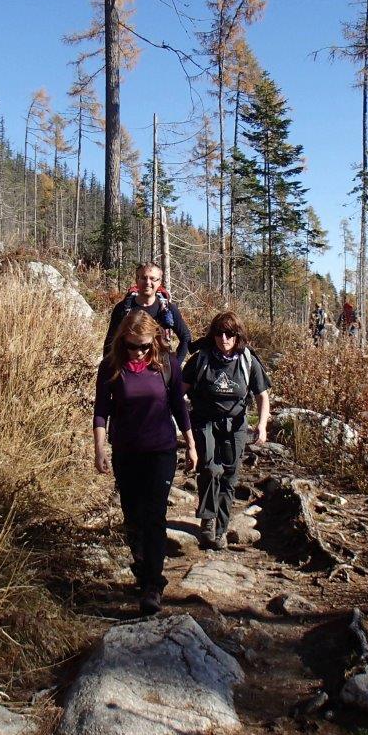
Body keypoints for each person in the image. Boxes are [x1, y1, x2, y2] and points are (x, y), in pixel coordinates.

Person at [94, 309, 198, 615]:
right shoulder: (111, 367)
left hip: (160, 451)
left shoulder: (167, 365)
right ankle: (142, 564)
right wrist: (99, 449)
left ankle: (153, 584)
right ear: (122, 341)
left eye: (143, 345)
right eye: (131, 345)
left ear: (153, 341)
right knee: (133, 515)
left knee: (155, 516)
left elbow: (179, 406)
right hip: (126, 451)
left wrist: (191, 445)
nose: (137, 351)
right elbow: (102, 411)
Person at [182, 312, 271, 551]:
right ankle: (208, 520)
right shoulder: (201, 359)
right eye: (219, 333)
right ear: (212, 335)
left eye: (230, 333)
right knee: (210, 468)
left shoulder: (247, 360)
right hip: (204, 421)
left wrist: (261, 425)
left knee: (230, 476)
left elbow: (262, 396)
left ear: (237, 335)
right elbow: (180, 389)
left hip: (235, 424)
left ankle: (220, 530)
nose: (224, 338)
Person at [103, 262, 193, 361]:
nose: (147, 282)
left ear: (159, 282)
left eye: (153, 278)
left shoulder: (168, 309)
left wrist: (176, 365)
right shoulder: (123, 309)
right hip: (128, 367)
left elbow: (186, 337)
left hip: (158, 368)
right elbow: (110, 342)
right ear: (136, 280)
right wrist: (109, 369)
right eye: (143, 278)